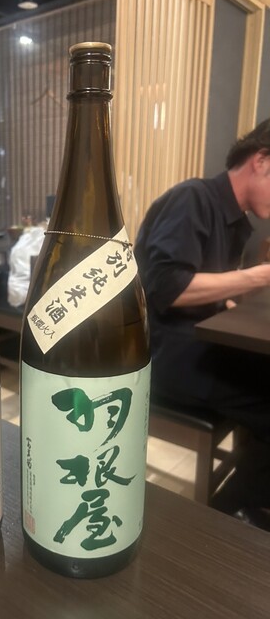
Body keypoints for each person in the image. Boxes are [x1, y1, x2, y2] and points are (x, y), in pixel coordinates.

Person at [134, 119, 270, 527]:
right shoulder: (193, 198)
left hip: (193, 345)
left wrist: (230, 299)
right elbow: (167, 288)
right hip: (163, 354)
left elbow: (206, 291)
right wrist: (260, 275)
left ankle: (246, 500)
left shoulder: (235, 221)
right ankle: (227, 516)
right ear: (262, 161)